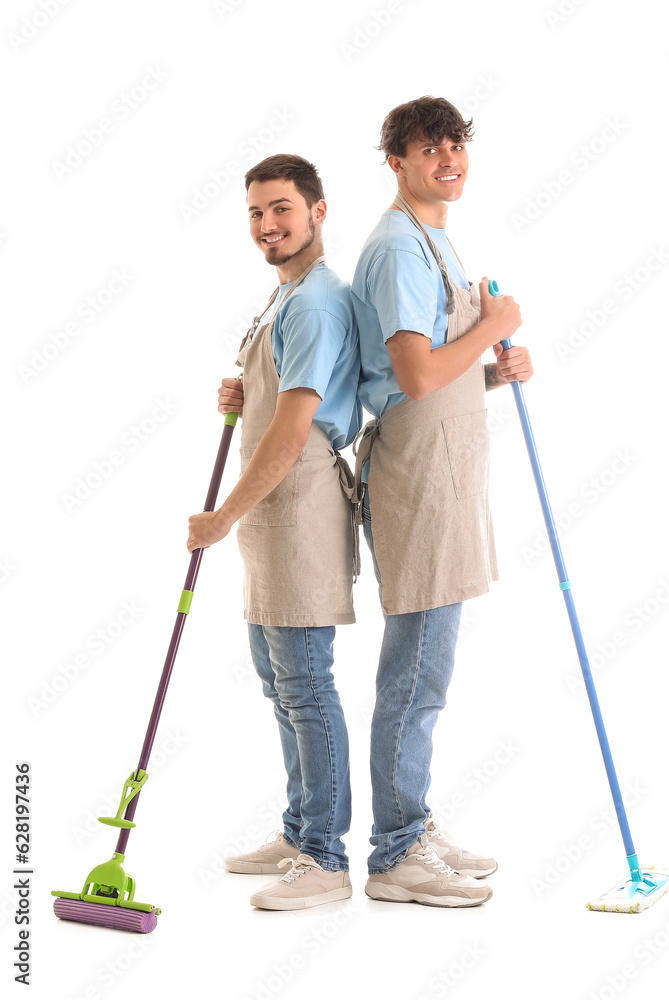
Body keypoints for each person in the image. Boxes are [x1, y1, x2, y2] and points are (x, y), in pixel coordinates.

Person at [350, 96, 534, 907]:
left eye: (456, 143)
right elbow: (418, 378)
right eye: (429, 148)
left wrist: (497, 366)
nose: (449, 159)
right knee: (417, 671)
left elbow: (431, 377)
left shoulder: (435, 238)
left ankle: (411, 823)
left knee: (430, 669)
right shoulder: (397, 247)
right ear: (396, 160)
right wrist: (492, 319)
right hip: (421, 482)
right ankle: (395, 852)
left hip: (448, 473)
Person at [187, 154, 361, 911]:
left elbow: (294, 432)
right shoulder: (283, 296)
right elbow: (279, 392)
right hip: (270, 518)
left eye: (282, 210)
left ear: (318, 211)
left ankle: (325, 857)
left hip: (297, 509)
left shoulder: (317, 300)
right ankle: (298, 831)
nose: (268, 226)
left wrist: (221, 516)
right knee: (278, 679)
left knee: (306, 686)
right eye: (257, 214)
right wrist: (244, 385)